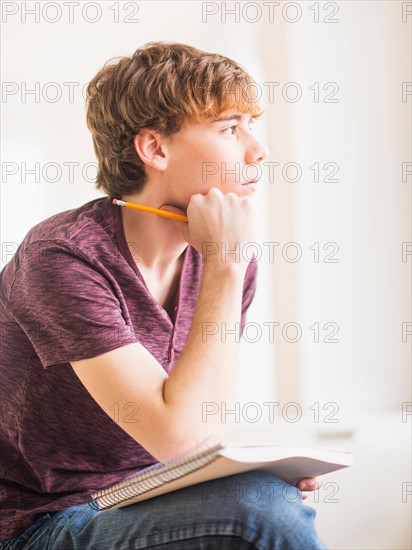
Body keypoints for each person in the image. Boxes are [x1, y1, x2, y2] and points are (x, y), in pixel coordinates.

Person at [0, 41, 328, 549]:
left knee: (268, 496)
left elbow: (199, 429)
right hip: (39, 522)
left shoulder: (224, 260)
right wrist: (225, 265)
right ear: (154, 149)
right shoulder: (62, 257)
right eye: (229, 128)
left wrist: (251, 474)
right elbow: (180, 437)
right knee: (260, 513)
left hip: (142, 497)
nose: (257, 149)